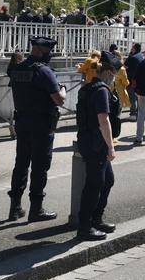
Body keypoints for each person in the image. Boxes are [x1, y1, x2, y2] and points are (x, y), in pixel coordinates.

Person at [7, 36, 65, 222]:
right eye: (48, 51)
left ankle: (15, 208)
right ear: (40, 50)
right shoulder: (43, 71)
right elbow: (59, 99)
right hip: (41, 124)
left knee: (21, 164)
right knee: (40, 166)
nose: (50, 55)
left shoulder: (18, 68)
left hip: (22, 122)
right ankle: (36, 209)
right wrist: (62, 90)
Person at [75, 52, 118, 241]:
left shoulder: (87, 87)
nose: (115, 76)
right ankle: (84, 226)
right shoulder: (101, 90)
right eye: (115, 73)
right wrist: (111, 146)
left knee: (107, 180)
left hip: (88, 139)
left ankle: (96, 219)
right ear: (108, 72)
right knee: (94, 184)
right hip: (96, 143)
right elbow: (103, 120)